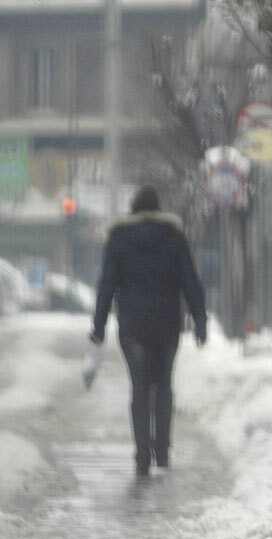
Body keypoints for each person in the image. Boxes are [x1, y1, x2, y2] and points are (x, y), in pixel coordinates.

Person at [90, 185, 208, 476]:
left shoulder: (118, 239)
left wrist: (99, 326)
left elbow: (107, 285)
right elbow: (190, 282)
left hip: (133, 325)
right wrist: (200, 321)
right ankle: (162, 452)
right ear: (158, 208)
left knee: (140, 388)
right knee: (164, 385)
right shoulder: (175, 238)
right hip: (167, 323)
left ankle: (142, 454)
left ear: (133, 208)